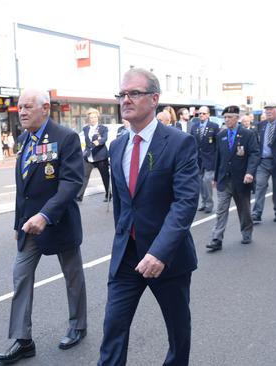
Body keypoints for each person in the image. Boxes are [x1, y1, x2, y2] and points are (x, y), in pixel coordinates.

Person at [98, 68, 199, 366]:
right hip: (126, 257)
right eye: (122, 94)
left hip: (165, 258)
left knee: (177, 331)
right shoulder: (117, 146)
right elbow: (123, 206)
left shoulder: (179, 143)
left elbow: (184, 203)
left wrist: (159, 252)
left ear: (154, 99)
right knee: (113, 328)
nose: (125, 99)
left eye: (134, 93)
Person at [0, 89, 87, 364]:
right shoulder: (23, 140)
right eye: (19, 107)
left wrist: (45, 215)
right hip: (29, 226)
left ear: (45, 108)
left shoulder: (65, 138)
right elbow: (22, 190)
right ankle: (23, 340)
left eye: (27, 107)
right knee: (20, 275)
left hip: (57, 222)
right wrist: (17, 222)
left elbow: (71, 182)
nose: (21, 112)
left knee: (72, 277)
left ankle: (77, 326)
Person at [207, 105, 259, 250]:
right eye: (225, 117)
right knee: (221, 209)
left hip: (241, 179)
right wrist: (215, 177)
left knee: (244, 209)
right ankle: (217, 238)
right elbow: (218, 158)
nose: (227, 120)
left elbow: (255, 154)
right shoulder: (221, 135)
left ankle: (246, 231)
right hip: (224, 179)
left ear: (237, 118)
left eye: (229, 117)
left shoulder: (247, 135)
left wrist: (250, 172)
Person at [76, 108, 111, 202]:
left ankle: (108, 195)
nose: (93, 119)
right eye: (91, 117)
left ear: (98, 117)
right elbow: (85, 141)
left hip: (101, 157)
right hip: (89, 157)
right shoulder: (85, 128)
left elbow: (104, 138)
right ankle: (79, 196)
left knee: (105, 177)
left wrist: (98, 142)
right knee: (84, 176)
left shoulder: (103, 128)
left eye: (95, 117)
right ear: (88, 118)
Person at [189, 105, 219, 213]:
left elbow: (218, 144)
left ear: (208, 115)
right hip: (198, 159)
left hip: (210, 158)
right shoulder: (194, 126)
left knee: (206, 181)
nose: (201, 115)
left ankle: (209, 204)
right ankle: (203, 202)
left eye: (204, 113)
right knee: (200, 182)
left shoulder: (214, 126)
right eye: (200, 113)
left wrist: (217, 159)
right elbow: (191, 143)